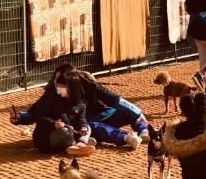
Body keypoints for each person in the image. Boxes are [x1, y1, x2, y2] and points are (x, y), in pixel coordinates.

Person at [10, 64, 147, 154]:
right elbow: (37, 112)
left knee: (131, 114)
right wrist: (19, 118)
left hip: (99, 116)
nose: (56, 83)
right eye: (55, 79)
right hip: (85, 124)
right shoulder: (53, 93)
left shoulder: (88, 87)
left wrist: (137, 112)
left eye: (59, 80)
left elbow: (114, 99)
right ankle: (124, 138)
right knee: (92, 127)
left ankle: (144, 132)